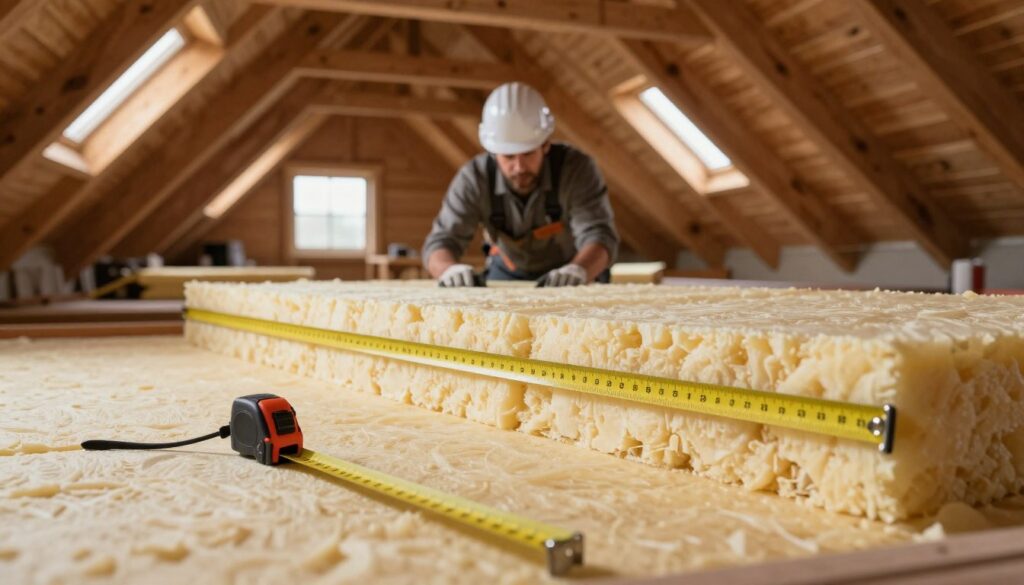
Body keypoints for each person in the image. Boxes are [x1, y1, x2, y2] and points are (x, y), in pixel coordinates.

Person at [422, 82, 619, 287]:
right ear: (493, 151)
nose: (519, 167)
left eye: (528, 153)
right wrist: (448, 269)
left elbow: (599, 235)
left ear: (545, 145)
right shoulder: (474, 178)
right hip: (509, 271)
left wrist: (579, 270)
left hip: (573, 271)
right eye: (508, 156)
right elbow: (441, 241)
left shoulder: (575, 169)